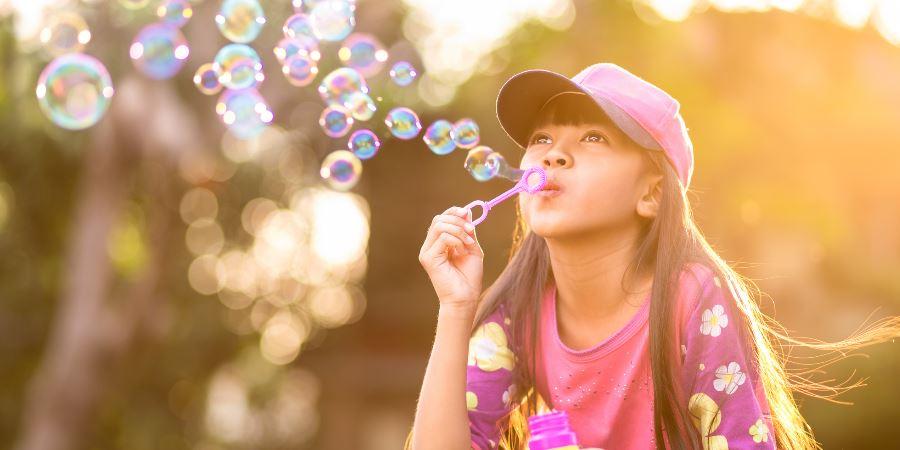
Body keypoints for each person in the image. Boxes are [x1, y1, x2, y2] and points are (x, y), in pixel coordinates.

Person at [408, 62, 899, 449]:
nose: (552, 156)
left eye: (592, 137)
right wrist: (455, 308)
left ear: (651, 193)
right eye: (542, 139)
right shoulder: (519, 312)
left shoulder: (691, 300)